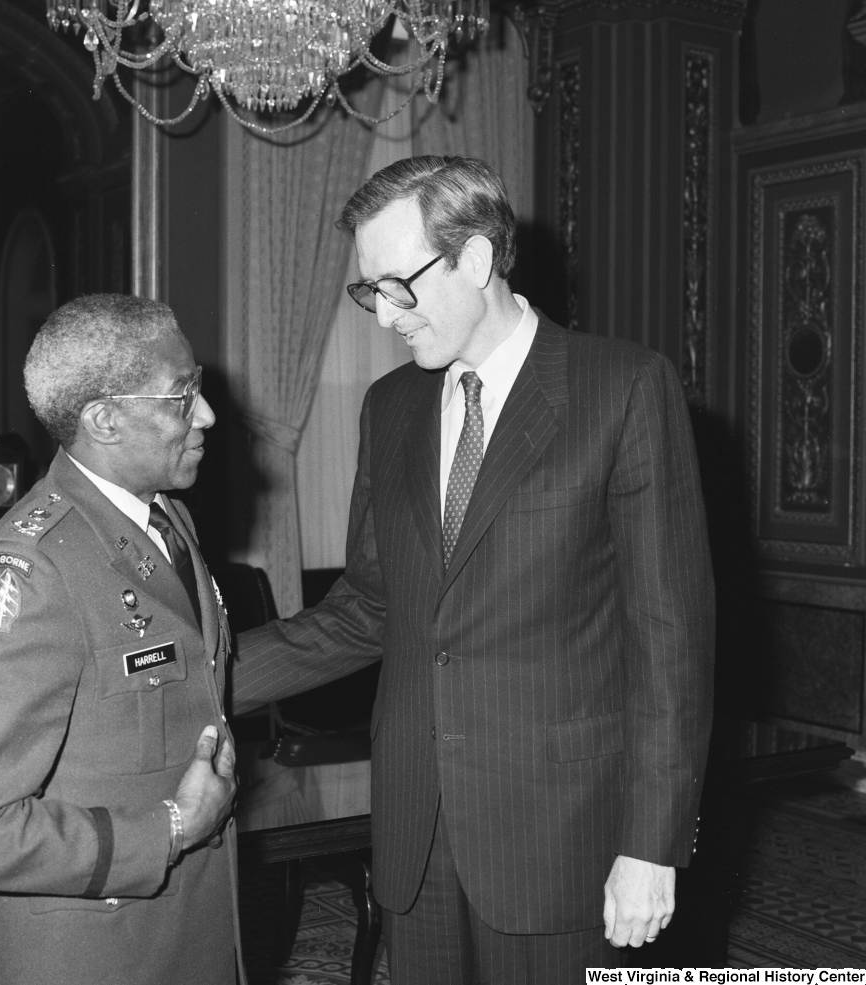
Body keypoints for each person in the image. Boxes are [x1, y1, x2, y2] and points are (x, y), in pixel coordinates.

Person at [231, 156, 716, 983]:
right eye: (368, 290)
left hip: (563, 840)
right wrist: (197, 676)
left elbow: (670, 637)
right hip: (417, 835)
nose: (383, 315)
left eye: (397, 284)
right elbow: (369, 609)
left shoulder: (623, 388)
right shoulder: (390, 407)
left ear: (479, 260)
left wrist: (652, 843)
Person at [0, 294, 241, 985]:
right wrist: (172, 829)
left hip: (191, 932)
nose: (208, 414)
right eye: (183, 395)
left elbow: (185, 676)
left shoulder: (165, 516)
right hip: (94, 954)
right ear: (105, 418)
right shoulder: (34, 570)